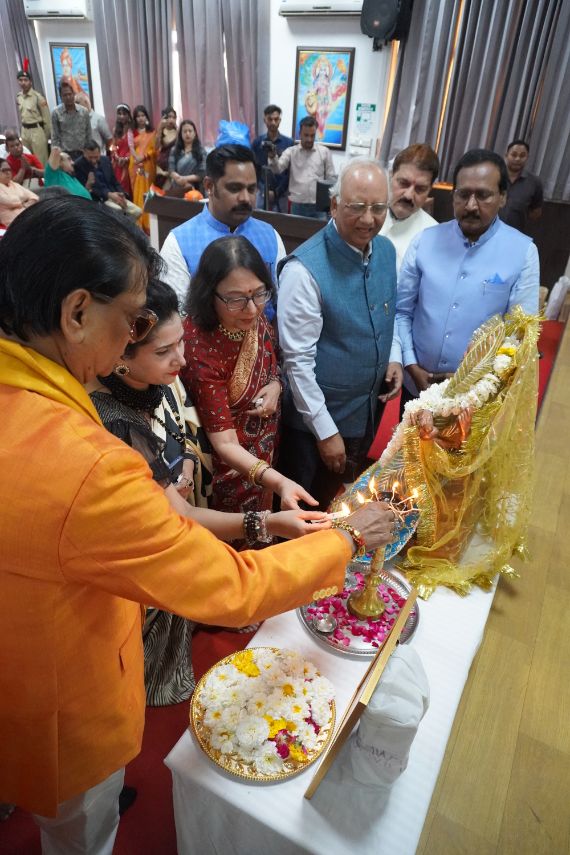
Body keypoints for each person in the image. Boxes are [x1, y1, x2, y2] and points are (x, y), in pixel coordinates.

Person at [0, 197, 393, 850]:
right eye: (132, 322)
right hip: (57, 702)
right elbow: (231, 587)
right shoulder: (86, 461)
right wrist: (344, 539)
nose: (134, 341)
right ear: (76, 313)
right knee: (80, 832)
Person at [90, 278, 332, 705]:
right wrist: (271, 522)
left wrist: (184, 465)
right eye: (164, 351)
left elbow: (183, 430)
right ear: (119, 355)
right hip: (148, 552)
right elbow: (179, 517)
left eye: (180, 343)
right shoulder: (114, 420)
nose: (181, 359)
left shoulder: (155, 381)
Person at [277, 159, 402, 510]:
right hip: (314, 425)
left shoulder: (386, 251)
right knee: (303, 511)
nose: (368, 219)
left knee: (337, 500)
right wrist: (326, 432)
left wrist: (393, 357)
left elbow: (387, 311)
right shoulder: (304, 270)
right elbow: (297, 362)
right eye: (357, 207)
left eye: (379, 208)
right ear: (334, 205)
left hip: (366, 411)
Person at [182, 235, 316, 519]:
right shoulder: (198, 346)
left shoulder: (250, 316)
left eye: (259, 293)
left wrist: (276, 385)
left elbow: (273, 363)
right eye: (236, 299)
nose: (253, 308)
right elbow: (225, 443)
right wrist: (278, 481)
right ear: (209, 293)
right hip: (227, 471)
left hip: (267, 452)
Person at [396, 147, 540, 410]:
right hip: (416, 385)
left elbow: (519, 337)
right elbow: (402, 311)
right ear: (453, 196)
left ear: (502, 197)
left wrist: (474, 381)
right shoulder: (425, 241)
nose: (471, 205)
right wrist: (410, 363)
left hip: (476, 399)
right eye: (463, 194)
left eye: (483, 195)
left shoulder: (523, 252)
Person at [160, 144, 286, 307]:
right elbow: (175, 313)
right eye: (234, 188)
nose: (245, 198)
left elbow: (283, 305)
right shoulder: (179, 242)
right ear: (209, 186)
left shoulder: (270, 236)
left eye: (251, 189)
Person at [380, 143, 439, 270]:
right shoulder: (364, 213)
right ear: (391, 176)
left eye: (420, 189)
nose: (408, 195)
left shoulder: (435, 238)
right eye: (403, 183)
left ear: (430, 190)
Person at [267, 115, 336, 219]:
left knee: (320, 229)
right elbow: (277, 169)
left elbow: (331, 180)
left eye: (312, 135)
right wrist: (272, 157)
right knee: (296, 230)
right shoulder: (291, 152)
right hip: (297, 206)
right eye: (306, 135)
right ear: (300, 134)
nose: (309, 139)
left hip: (319, 207)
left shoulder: (325, 152)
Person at [74, 140, 142, 221]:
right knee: (118, 210)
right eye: (90, 157)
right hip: (98, 199)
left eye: (96, 157)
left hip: (114, 195)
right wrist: (109, 194)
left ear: (99, 153)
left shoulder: (105, 160)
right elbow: (88, 189)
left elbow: (114, 181)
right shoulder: (78, 165)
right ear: (84, 153)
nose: (93, 160)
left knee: (138, 211)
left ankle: (127, 226)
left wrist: (121, 194)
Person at [251, 104, 294, 213]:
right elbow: (254, 169)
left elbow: (290, 173)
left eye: (276, 119)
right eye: (270, 119)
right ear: (264, 120)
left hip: (282, 194)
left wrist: (277, 192)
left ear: (280, 120)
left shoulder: (289, 143)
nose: (273, 123)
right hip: (261, 193)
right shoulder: (257, 143)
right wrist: (263, 189)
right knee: (260, 219)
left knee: (281, 222)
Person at [499, 139, 543, 233]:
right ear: (506, 156)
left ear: (527, 157)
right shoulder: (494, 176)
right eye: (514, 155)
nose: (517, 159)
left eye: (522, 155)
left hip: (515, 233)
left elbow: (536, 212)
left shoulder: (535, 182)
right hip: (487, 231)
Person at [129, 105, 156, 233]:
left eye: (142, 115)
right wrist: (137, 159)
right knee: (138, 192)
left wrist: (144, 157)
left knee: (148, 190)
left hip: (148, 165)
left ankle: (149, 223)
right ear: (135, 118)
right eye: (138, 116)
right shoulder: (132, 132)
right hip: (136, 166)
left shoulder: (152, 133)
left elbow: (154, 149)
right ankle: (140, 223)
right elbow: (131, 149)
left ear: (146, 117)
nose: (140, 118)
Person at [16, 69, 51, 165]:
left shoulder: (38, 97)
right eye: (20, 80)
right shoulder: (19, 97)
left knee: (41, 161)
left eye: (25, 80)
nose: (23, 83)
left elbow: (47, 119)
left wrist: (45, 137)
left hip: (37, 131)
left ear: (30, 82)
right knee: (27, 160)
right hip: (24, 131)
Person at [51, 80, 91, 160]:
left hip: (82, 153)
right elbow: (55, 137)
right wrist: (58, 156)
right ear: (61, 97)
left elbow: (88, 134)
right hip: (65, 155)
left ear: (74, 94)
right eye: (65, 95)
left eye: (70, 94)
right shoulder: (56, 113)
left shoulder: (84, 112)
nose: (68, 97)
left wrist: (89, 152)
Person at [168, 119, 207, 195]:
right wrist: (178, 178)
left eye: (190, 131)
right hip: (177, 188)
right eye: (185, 131)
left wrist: (184, 179)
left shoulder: (201, 151)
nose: (187, 134)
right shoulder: (174, 150)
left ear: (195, 133)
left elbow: (202, 173)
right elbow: (171, 169)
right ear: (181, 134)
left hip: (196, 190)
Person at [0, 158, 38, 226]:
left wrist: (25, 205)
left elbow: (35, 197)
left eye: (9, 169)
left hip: (27, 217)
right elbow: (11, 202)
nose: (8, 172)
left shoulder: (14, 184)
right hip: (12, 224)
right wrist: (24, 200)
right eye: (4, 170)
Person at [110, 103, 135, 196]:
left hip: (130, 162)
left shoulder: (133, 129)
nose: (122, 116)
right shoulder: (115, 129)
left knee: (128, 186)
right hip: (118, 163)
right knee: (119, 185)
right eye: (119, 114)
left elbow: (135, 146)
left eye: (124, 114)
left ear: (129, 115)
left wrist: (126, 158)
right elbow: (113, 146)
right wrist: (116, 156)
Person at [155, 105, 178, 188]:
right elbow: (156, 146)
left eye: (173, 117)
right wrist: (160, 127)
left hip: (173, 165)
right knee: (159, 191)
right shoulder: (160, 131)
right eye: (169, 117)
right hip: (161, 166)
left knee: (170, 191)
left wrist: (177, 128)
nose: (171, 119)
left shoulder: (178, 132)